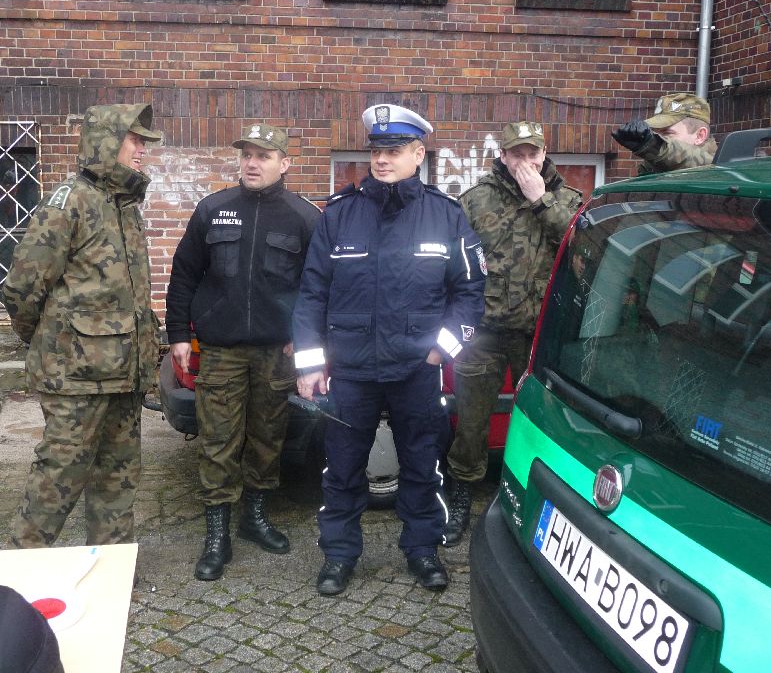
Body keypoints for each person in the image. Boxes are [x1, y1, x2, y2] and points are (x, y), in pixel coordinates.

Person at [292, 103, 485, 596]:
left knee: (422, 466)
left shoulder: (446, 215)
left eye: (395, 150)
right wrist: (310, 365)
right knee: (342, 468)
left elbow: (470, 293)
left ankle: (423, 550)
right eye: (377, 149)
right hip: (351, 370)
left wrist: (441, 353)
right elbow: (311, 294)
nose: (382, 159)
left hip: (417, 370)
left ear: (418, 154)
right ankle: (339, 555)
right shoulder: (340, 215)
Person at [165, 123, 320, 581]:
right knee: (218, 442)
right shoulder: (213, 210)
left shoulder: (304, 217)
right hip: (221, 351)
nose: (252, 163)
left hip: (276, 352)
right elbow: (184, 274)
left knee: (267, 439)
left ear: (284, 164)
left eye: (263, 156)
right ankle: (217, 535)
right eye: (247, 155)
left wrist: (307, 339)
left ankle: (254, 517)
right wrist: (178, 333)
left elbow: (318, 288)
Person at [3, 103, 161, 548]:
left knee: (119, 476)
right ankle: (20, 566)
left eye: (144, 142)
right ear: (106, 142)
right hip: (75, 377)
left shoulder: (125, 206)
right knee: (59, 475)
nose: (141, 150)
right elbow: (22, 289)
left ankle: (111, 567)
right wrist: (47, 341)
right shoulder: (69, 202)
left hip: (124, 373)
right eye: (134, 140)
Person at [444, 121, 582, 546]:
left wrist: (541, 200)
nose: (525, 162)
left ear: (544, 154)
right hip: (483, 331)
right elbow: (452, 265)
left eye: (532, 153)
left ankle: (531, 498)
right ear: (502, 157)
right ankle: (461, 495)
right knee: (471, 422)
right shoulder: (475, 199)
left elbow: (582, 250)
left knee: (538, 422)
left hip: (539, 335)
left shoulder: (567, 199)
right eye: (516, 154)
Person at [611, 93, 718, 175]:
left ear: (699, 136)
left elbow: (699, 162)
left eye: (667, 133)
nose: (658, 137)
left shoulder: (718, 169)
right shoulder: (653, 169)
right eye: (655, 132)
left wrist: (653, 145)